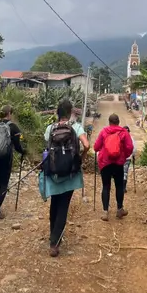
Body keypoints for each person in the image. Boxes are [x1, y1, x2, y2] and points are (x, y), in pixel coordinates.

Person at [40, 100, 89, 257]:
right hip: (70, 173)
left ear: (57, 113)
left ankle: (53, 237)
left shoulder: (50, 128)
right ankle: (55, 242)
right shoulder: (76, 127)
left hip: (54, 173)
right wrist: (80, 158)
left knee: (54, 203)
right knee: (63, 206)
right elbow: (87, 145)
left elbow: (47, 145)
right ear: (70, 113)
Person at [94, 114, 134, 221]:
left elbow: (96, 147)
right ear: (118, 122)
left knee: (106, 186)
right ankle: (119, 209)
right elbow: (130, 147)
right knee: (119, 186)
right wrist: (124, 155)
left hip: (105, 163)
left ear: (109, 122)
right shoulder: (123, 132)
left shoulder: (103, 132)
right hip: (118, 163)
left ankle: (105, 212)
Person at [122, 125, 137, 193]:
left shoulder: (119, 137)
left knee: (120, 172)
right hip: (127, 158)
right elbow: (134, 149)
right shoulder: (131, 138)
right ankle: (123, 187)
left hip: (119, 158)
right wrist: (133, 156)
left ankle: (119, 186)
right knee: (125, 172)